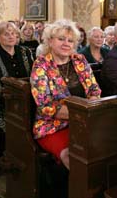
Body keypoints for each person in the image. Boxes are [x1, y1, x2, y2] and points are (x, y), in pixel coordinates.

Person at [31, 19, 101, 169]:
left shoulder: (79, 60)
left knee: (103, 148)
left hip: (84, 120)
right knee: (74, 156)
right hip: (53, 126)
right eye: (61, 39)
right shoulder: (41, 64)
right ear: (50, 41)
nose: (66, 43)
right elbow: (45, 106)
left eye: (70, 40)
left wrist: (92, 106)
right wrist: (82, 114)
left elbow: (94, 89)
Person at [0, 21, 34, 131]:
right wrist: (10, 98)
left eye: (13, 33)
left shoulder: (26, 51)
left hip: (27, 95)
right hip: (2, 99)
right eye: (6, 34)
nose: (11, 36)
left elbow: (34, 75)